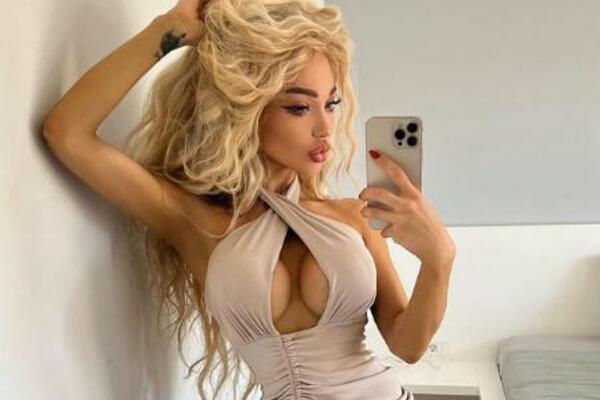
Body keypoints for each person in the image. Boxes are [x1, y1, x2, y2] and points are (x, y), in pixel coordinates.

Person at [41, 0, 455, 398]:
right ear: (248, 109)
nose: (325, 128)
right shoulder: (197, 223)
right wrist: (167, 31)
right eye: (299, 107)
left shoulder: (354, 217)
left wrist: (439, 260)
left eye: (331, 104)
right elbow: (66, 133)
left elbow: (408, 345)